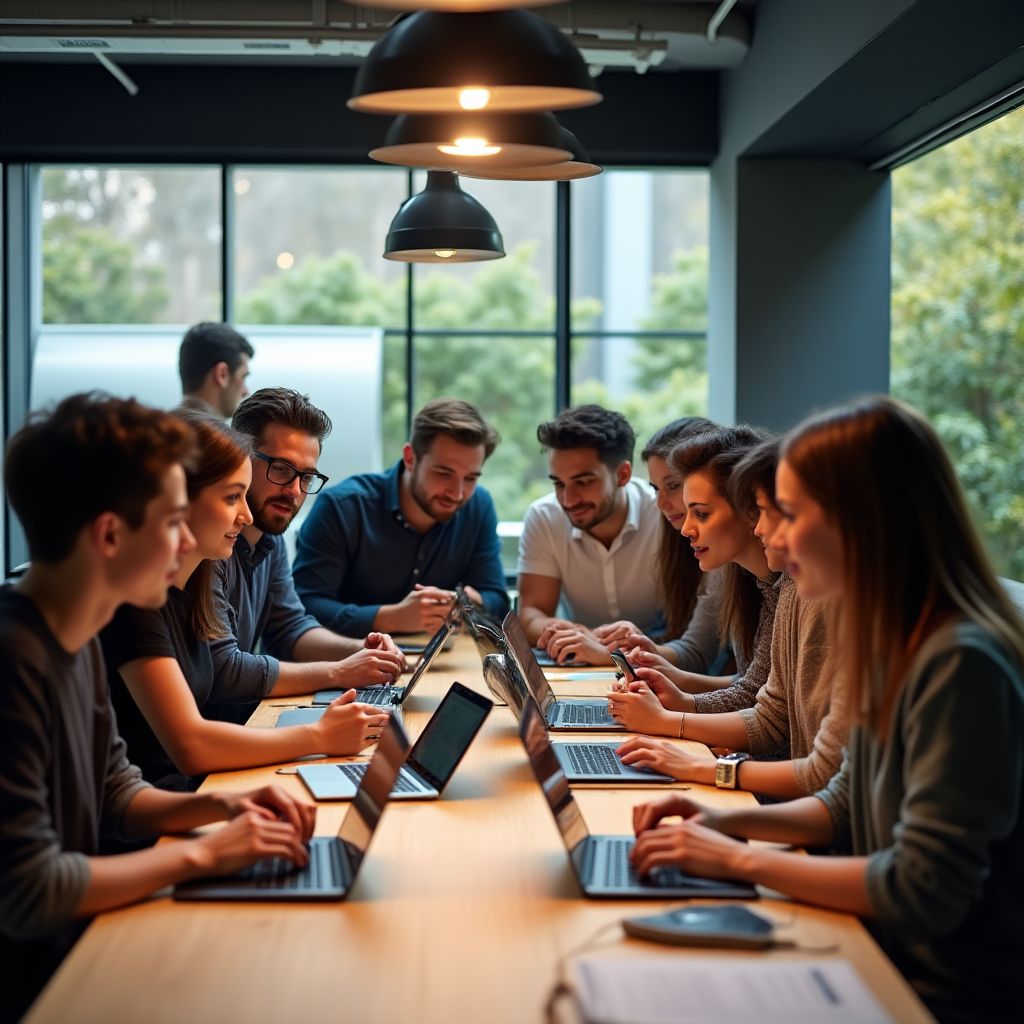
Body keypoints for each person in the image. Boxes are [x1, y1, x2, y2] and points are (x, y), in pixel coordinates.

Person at [629, 396, 1024, 1021]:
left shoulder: (959, 660)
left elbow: (922, 891)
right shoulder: (886, 635)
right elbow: (841, 801)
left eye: (787, 512)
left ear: (862, 519)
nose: (772, 537)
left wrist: (736, 857)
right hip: (878, 948)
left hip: (935, 992)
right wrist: (718, 820)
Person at [0, 394, 314, 1021]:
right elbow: (29, 891)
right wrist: (202, 852)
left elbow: (117, 792)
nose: (185, 543)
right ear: (111, 535)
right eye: (173, 520)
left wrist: (224, 804)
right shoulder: (15, 657)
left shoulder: (77, 631)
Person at [102, 409, 389, 791]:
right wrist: (320, 732)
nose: (246, 515)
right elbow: (191, 740)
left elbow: (289, 627)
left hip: (182, 784)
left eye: (306, 478)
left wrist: (357, 658)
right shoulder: (141, 599)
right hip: (176, 784)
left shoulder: (196, 581)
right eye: (233, 496)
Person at [615, 437, 847, 799]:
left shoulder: (812, 594)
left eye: (702, 513)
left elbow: (815, 769)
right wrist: (679, 702)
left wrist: (675, 725)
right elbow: (767, 705)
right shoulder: (781, 588)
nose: (685, 528)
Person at [203, 388, 404, 724]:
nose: (294, 492)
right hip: (211, 742)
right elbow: (224, 670)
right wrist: (338, 672)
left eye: (307, 477)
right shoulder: (209, 546)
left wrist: (361, 651)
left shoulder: (271, 538)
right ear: (239, 456)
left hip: (245, 723)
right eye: (281, 469)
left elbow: (290, 627)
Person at [293, 398, 510, 637]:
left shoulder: (478, 507)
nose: (458, 493)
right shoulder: (342, 508)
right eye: (444, 474)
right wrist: (391, 618)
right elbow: (305, 605)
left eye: (470, 478)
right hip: (348, 663)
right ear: (410, 458)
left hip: (440, 666)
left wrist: (466, 603)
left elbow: (497, 599)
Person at [608, 425, 779, 718]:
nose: (686, 528)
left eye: (701, 513)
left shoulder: (791, 590)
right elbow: (754, 688)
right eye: (656, 489)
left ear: (751, 508)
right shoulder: (749, 578)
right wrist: (673, 690)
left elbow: (768, 715)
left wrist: (672, 717)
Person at [517, 405, 663, 666]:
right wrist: (574, 632)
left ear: (623, 474)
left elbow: (695, 638)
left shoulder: (664, 515)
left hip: (666, 661)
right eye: (559, 484)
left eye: (583, 482)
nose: (568, 499)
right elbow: (530, 616)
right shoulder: (544, 516)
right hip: (583, 663)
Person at [592, 417, 722, 672]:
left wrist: (616, 653)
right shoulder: (684, 547)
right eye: (656, 489)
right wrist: (635, 647)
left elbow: (747, 688)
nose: (661, 503)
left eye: (673, 486)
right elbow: (691, 648)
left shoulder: (731, 560)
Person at [178, 321, 254, 419]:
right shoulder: (221, 434)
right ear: (222, 374)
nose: (246, 392)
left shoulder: (158, 430)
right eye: (243, 377)